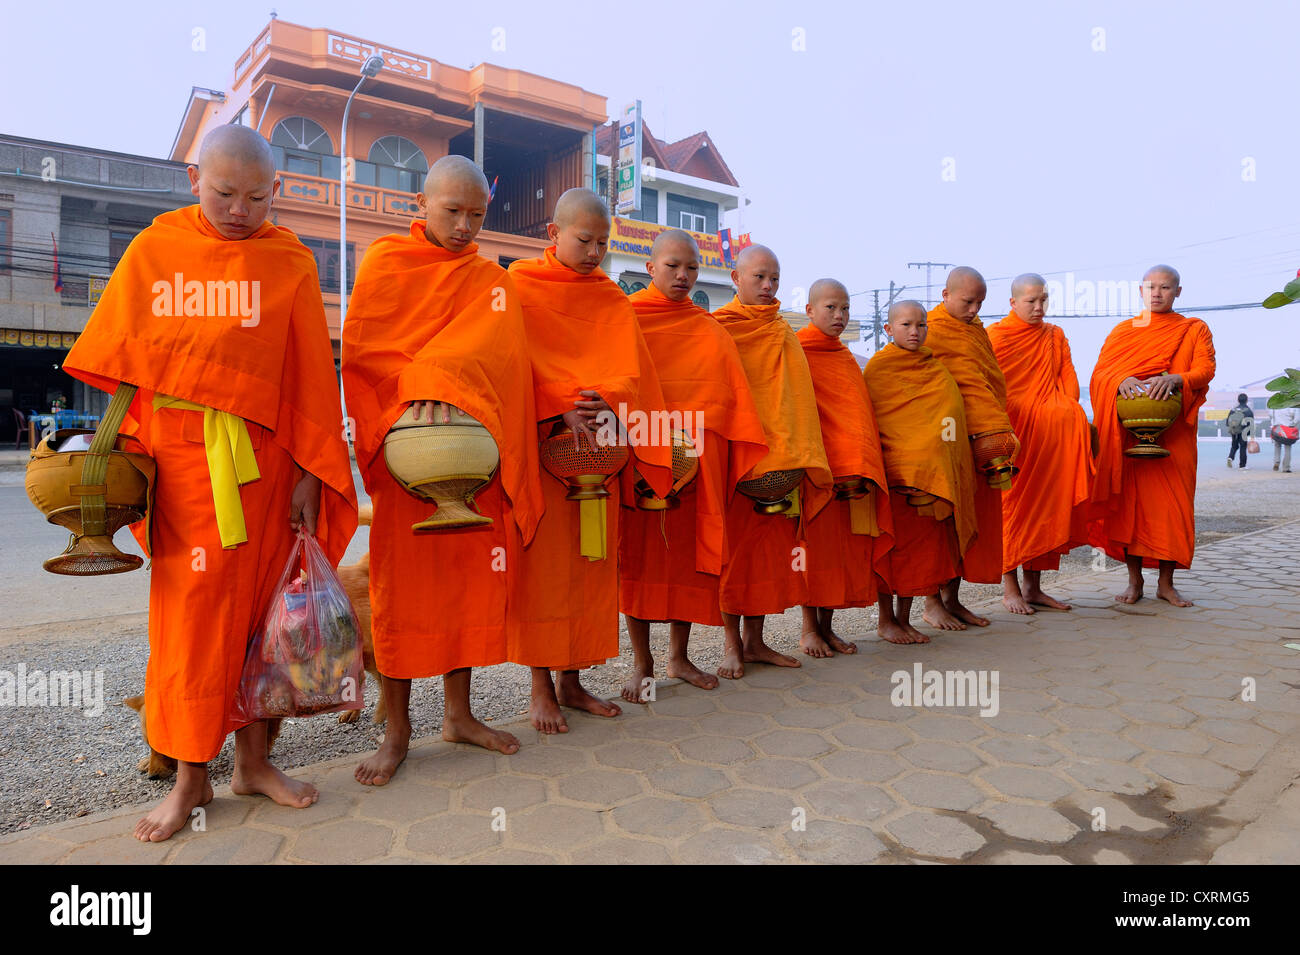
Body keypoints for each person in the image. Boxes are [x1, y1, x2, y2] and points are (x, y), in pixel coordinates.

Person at [62, 125, 358, 841]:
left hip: (268, 467)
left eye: (257, 197)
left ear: (275, 194)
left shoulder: (287, 260)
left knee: (266, 618)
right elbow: (126, 361)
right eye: (224, 193)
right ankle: (191, 778)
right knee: (192, 627)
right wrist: (119, 459)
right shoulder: (158, 251)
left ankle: (254, 762)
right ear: (195, 177)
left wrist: (312, 476)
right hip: (184, 465)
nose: (239, 209)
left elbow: (311, 375)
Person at [341, 155, 545, 784]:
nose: (463, 226)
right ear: (420, 207)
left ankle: (459, 713)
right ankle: (398, 727)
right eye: (451, 211)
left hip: (474, 461)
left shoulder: (493, 280)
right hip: (407, 459)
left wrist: (443, 379)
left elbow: (504, 358)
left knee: (467, 591)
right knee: (400, 595)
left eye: (476, 214)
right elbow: (365, 350)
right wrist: (417, 391)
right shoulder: (384, 263)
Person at [507, 188, 671, 733]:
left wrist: (611, 401)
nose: (595, 252)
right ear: (552, 235)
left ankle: (573, 682)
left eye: (604, 242)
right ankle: (539, 689)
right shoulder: (519, 287)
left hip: (599, 456)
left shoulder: (610, 298)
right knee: (545, 573)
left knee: (591, 568)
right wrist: (558, 403)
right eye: (584, 240)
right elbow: (506, 363)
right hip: (545, 452)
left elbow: (636, 376)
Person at [618, 230, 767, 702]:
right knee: (639, 563)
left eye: (692, 269)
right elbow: (618, 385)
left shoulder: (708, 328)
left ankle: (679, 656)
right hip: (643, 460)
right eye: (672, 267)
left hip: (696, 465)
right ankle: (641, 662)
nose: (683, 276)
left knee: (687, 564)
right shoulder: (628, 319)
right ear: (650, 268)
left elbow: (729, 397)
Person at [712, 245, 834, 677]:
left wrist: (795, 452)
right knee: (733, 556)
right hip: (736, 459)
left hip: (780, 461)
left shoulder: (782, 331)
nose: (768, 286)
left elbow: (795, 399)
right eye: (760, 277)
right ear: (736, 277)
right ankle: (731, 645)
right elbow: (716, 393)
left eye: (775, 279)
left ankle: (756, 641)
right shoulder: (720, 328)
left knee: (766, 557)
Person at [1090, 264, 1216, 606]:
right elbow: (1101, 373)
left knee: (1171, 508)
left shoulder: (1194, 329)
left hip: (1175, 435)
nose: (1157, 293)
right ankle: (1134, 583)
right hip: (1130, 435)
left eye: (1165, 288)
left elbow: (1205, 369)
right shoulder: (1123, 331)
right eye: (1150, 287)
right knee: (1131, 509)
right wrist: (1119, 380)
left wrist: (1177, 379)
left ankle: (1166, 583)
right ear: (1140, 291)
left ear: (1178, 291)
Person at [864, 301, 977, 644]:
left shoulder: (935, 369)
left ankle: (904, 618)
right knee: (891, 549)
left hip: (929, 480)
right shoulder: (878, 369)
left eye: (921, 325)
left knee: (920, 554)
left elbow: (950, 419)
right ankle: (886, 620)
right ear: (888, 330)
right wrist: (906, 458)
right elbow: (874, 423)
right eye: (906, 325)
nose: (915, 332)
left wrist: (938, 457)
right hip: (896, 479)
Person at [795, 278, 894, 655]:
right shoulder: (798, 351)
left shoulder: (845, 357)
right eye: (831, 308)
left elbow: (858, 414)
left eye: (845, 309)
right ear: (809, 310)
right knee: (814, 551)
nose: (840, 316)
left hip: (851, 471)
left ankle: (827, 627)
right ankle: (808, 629)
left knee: (843, 551)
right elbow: (795, 408)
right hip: (817, 470)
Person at [987, 274, 1095, 614]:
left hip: (1050, 436)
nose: (1038, 307)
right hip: (1015, 436)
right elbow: (990, 386)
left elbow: (1069, 383)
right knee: (1013, 508)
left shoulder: (1054, 335)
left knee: (1047, 508)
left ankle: (1034, 588)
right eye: (1031, 301)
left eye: (1043, 300)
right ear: (1013, 303)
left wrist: (1062, 412)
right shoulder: (995, 336)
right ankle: (1011, 589)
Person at [924, 266, 1018, 629]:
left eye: (980, 302)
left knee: (971, 521)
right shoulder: (929, 330)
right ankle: (931, 603)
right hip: (943, 440)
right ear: (945, 296)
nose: (974, 310)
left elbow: (988, 382)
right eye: (967, 301)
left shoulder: (976, 332)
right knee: (941, 523)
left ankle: (953, 599)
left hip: (980, 439)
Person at [1226, 393, 1254, 470]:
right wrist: (1251, 435)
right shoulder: (1248, 411)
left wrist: (1232, 429)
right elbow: (1251, 423)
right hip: (1244, 431)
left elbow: (1227, 421)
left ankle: (1230, 457)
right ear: (1246, 400)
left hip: (1234, 430)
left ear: (1238, 400)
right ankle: (1242, 465)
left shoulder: (1233, 410)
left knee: (1234, 446)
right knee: (1243, 447)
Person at [1272, 404, 1298, 472]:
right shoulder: (1290, 405)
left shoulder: (1276, 405)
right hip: (1287, 428)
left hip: (1277, 427)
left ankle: (1276, 462)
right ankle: (1286, 468)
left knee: (1277, 445)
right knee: (1287, 447)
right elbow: (1297, 418)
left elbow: (1271, 415)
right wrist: (1292, 424)